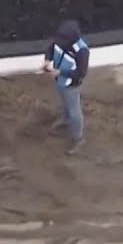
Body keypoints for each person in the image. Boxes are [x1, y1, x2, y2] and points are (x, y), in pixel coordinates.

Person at [42, 19, 90, 155]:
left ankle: (78, 138)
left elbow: (81, 73)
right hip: (59, 80)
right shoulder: (60, 41)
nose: (59, 41)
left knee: (75, 112)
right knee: (64, 103)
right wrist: (47, 60)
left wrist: (60, 72)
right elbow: (51, 48)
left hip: (71, 85)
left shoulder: (82, 51)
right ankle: (65, 119)